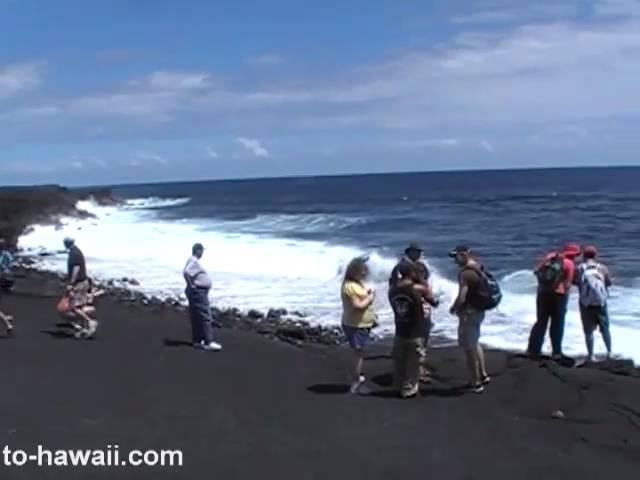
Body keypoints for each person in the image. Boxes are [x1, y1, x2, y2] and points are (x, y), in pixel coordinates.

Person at [389, 242, 436, 381]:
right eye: (417, 252)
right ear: (410, 252)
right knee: (413, 336)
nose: (420, 254)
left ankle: (417, 368)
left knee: (422, 336)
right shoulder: (401, 268)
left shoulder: (421, 266)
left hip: (421, 304)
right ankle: (414, 371)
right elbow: (397, 287)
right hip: (409, 305)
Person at [527, 242, 581, 360]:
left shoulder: (550, 257)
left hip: (542, 294)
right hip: (558, 296)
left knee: (541, 322)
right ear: (574, 254)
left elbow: (536, 271)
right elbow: (567, 284)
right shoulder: (569, 264)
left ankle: (533, 350)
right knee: (557, 324)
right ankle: (556, 352)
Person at [449, 245, 490, 394]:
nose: (455, 261)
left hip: (469, 312)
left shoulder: (465, 274)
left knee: (469, 348)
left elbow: (462, 296)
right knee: (475, 342)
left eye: (456, 257)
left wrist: (454, 308)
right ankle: (483, 374)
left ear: (464, 254)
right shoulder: (478, 266)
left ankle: (475, 382)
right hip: (479, 310)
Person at [341, 256, 377, 395]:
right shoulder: (351, 286)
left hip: (359, 323)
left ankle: (358, 377)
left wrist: (366, 295)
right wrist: (370, 297)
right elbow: (357, 306)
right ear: (355, 271)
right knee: (358, 354)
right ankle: (356, 383)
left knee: (359, 353)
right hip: (356, 324)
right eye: (363, 271)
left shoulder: (355, 284)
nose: (365, 273)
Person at [575, 246, 612, 362]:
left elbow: (575, 283)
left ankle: (591, 355)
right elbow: (608, 283)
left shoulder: (580, 269)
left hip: (585, 304)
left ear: (584, 256)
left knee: (588, 331)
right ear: (596, 255)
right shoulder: (602, 268)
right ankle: (609, 352)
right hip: (601, 303)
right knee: (605, 329)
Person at [183, 243, 222, 352]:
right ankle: (208, 341)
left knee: (196, 316)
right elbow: (186, 272)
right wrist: (191, 285)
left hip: (197, 291)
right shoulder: (193, 261)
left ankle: (197, 341)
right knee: (205, 316)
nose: (202, 253)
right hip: (198, 292)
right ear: (198, 251)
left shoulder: (192, 260)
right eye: (202, 251)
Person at [63, 237, 98, 339]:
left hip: (79, 282)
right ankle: (84, 328)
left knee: (73, 307)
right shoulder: (76, 251)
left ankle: (90, 322)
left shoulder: (74, 253)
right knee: (80, 306)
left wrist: (71, 283)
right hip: (83, 281)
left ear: (66, 243)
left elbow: (76, 268)